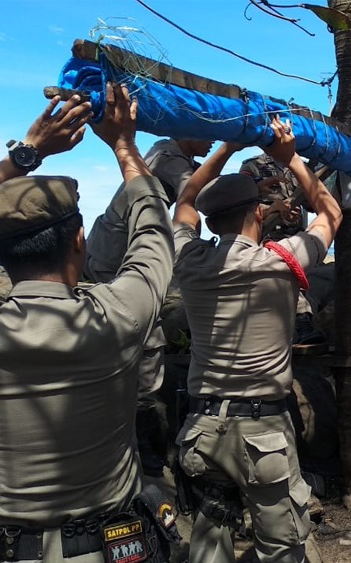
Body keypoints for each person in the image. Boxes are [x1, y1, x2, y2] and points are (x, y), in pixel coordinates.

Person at [0, 85, 178, 561]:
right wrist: (124, 144)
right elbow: (154, 228)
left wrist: (27, 152)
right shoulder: (118, 316)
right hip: (115, 546)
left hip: (10, 550)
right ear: (79, 239)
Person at [172, 116, 342, 562]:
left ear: (212, 222)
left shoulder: (189, 260)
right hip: (261, 432)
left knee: (210, 543)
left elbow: (185, 201)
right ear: (258, 214)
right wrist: (293, 160)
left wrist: (225, 149)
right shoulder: (281, 260)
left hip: (201, 429)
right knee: (282, 546)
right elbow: (331, 214)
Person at [85, 135, 214, 477]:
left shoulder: (167, 152)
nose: (212, 139)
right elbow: (198, 198)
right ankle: (146, 456)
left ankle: (141, 448)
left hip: (114, 249)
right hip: (118, 256)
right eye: (205, 132)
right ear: (186, 131)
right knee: (143, 340)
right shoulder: (172, 157)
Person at [240, 151, 325, 345]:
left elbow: (315, 203)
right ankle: (303, 323)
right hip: (268, 237)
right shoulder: (252, 166)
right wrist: (273, 209)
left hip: (298, 238)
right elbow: (242, 206)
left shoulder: (301, 167)